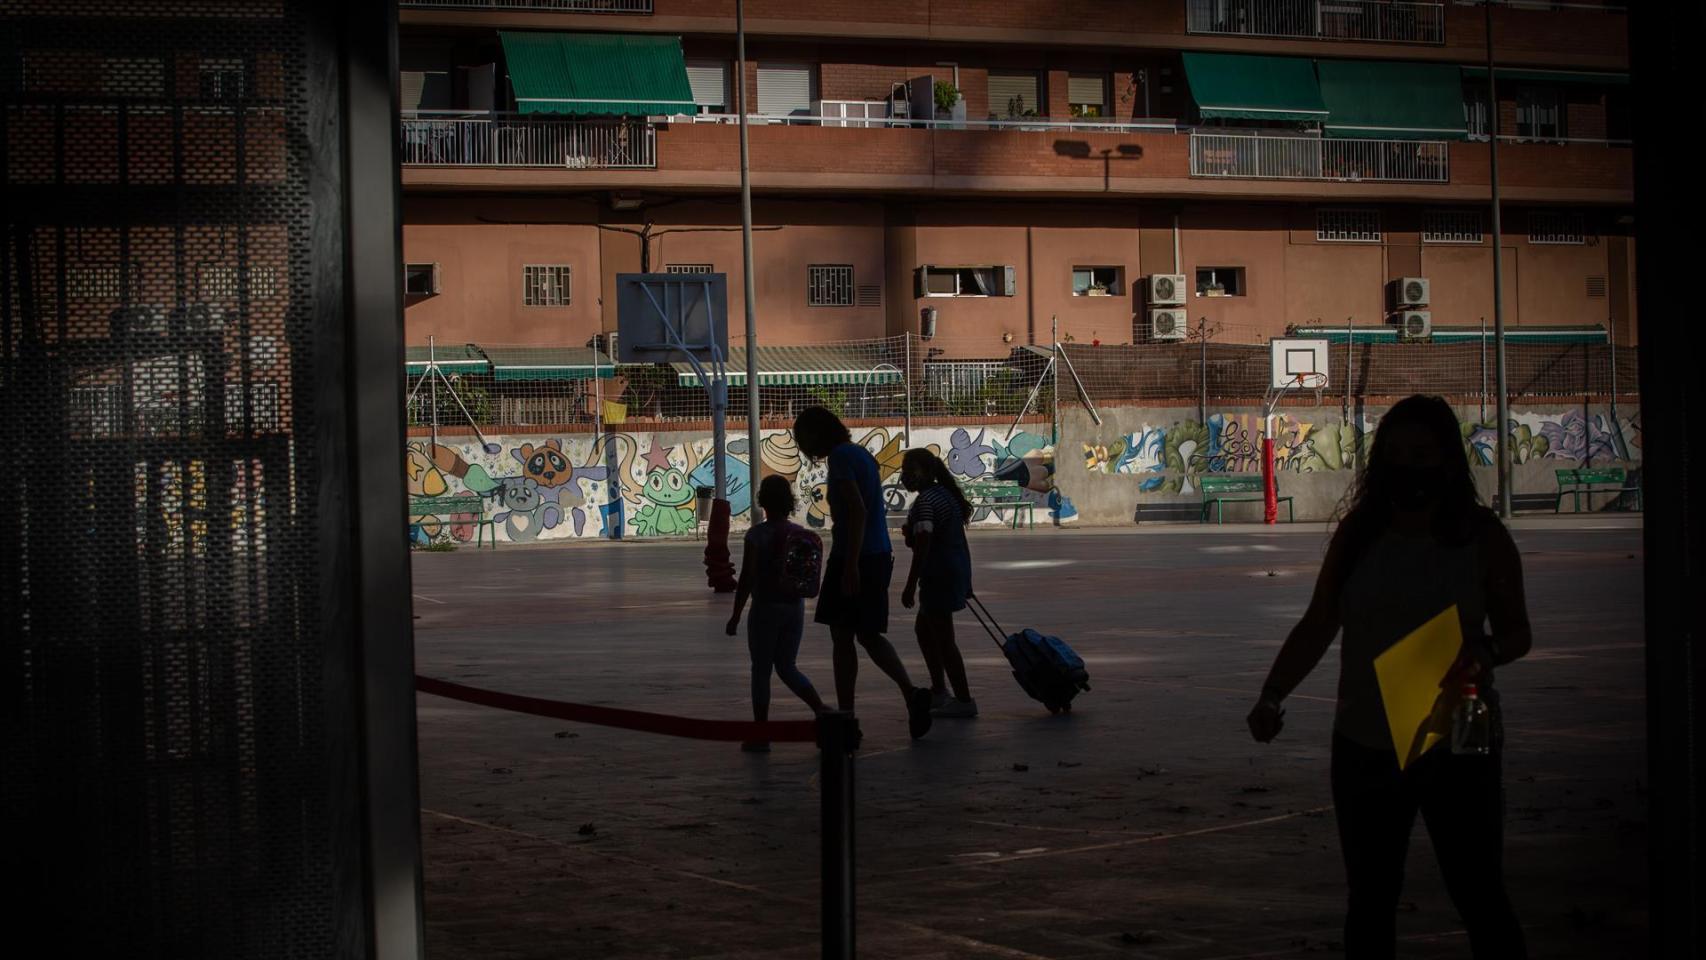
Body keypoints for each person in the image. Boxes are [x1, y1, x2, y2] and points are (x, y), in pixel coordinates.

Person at [1246, 394, 1532, 960]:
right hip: (1365, 740)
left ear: (1448, 461)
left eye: (1423, 454)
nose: (1411, 467)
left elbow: (1518, 632)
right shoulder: (1358, 537)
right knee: (1371, 899)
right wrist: (1272, 693)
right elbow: (1319, 622)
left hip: (1459, 734)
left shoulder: (1483, 538)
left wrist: (1487, 652)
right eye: (1398, 454)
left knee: (1478, 891)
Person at [791, 406, 934, 739]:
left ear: (815, 434)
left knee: (842, 637)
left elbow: (857, 510)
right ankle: (911, 694)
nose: (801, 445)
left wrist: (851, 564)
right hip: (879, 554)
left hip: (855, 556)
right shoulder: (861, 455)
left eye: (802, 437)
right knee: (867, 634)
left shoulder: (840, 459)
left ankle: (846, 714)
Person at [726, 475, 829, 753]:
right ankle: (821, 709)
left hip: (765, 609)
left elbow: (747, 578)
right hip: (794, 609)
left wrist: (735, 615)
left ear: (763, 501)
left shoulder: (757, 535)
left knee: (761, 671)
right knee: (787, 667)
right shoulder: (800, 533)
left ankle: (761, 734)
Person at [898, 448, 977, 718]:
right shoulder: (945, 496)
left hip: (938, 577)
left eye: (910, 470)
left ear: (927, 473)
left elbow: (922, 548)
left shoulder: (925, 503)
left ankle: (964, 700)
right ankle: (939, 689)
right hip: (951, 572)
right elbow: (955, 541)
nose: (904, 476)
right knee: (924, 630)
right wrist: (966, 578)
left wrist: (909, 585)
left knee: (944, 640)